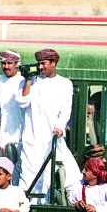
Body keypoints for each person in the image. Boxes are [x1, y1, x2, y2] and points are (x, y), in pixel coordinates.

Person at [17, 48, 81, 198]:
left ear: (53, 63)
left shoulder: (65, 84)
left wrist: (59, 127)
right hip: (32, 138)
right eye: (38, 64)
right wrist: (27, 80)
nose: (40, 67)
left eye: (43, 64)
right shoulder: (31, 81)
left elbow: (66, 109)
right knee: (29, 174)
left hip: (52, 137)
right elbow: (22, 102)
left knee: (66, 174)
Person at [0, 50, 26, 160]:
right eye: (3, 63)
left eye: (9, 63)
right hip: (4, 134)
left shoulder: (24, 81)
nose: (6, 66)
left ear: (17, 64)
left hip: (22, 132)